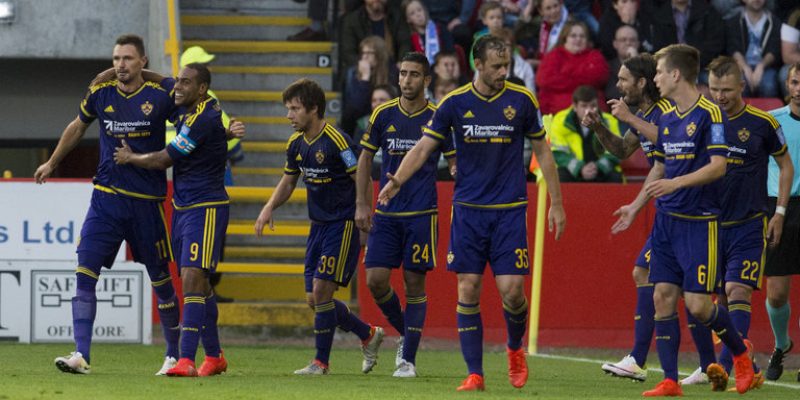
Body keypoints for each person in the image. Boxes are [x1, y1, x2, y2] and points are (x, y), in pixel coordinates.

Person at [377, 35, 566, 391]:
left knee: (512, 292)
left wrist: (556, 202)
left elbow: (545, 153)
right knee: (468, 288)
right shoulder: (454, 103)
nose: (502, 72)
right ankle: (475, 373)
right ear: (477, 64)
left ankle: (514, 348)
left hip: (509, 210)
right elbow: (422, 148)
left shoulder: (522, 100)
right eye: (496, 66)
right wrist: (397, 180)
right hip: (468, 212)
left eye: (506, 65)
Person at [610, 44, 755, 397]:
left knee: (699, 305)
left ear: (676, 74)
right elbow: (660, 166)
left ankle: (741, 355)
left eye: (659, 72)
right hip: (666, 222)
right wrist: (636, 204)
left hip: (699, 222)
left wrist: (677, 182)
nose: (655, 78)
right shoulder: (667, 116)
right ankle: (671, 380)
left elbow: (718, 166)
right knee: (661, 296)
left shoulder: (710, 114)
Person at [35, 34, 182, 376]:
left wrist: (154, 76)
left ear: (143, 61)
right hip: (105, 200)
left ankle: (174, 356)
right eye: (116, 58)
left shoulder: (160, 96)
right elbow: (77, 126)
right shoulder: (101, 92)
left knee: (161, 280)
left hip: (147, 204)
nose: (120, 65)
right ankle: (80, 354)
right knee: (85, 272)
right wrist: (53, 162)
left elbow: (183, 98)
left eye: (128, 58)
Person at [254, 78, 384, 375]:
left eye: (295, 109)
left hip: (342, 224)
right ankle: (367, 334)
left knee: (322, 290)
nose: (289, 115)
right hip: (318, 226)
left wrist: (364, 215)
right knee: (314, 299)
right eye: (288, 109)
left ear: (314, 109)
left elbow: (361, 177)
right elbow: (289, 181)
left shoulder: (338, 141)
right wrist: (269, 206)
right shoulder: (295, 144)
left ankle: (320, 363)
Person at [112, 63, 234, 377]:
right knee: (200, 285)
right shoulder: (186, 99)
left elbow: (165, 158)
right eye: (178, 81)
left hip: (206, 207)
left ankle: (186, 360)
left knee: (193, 277)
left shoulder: (203, 118)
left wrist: (130, 158)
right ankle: (216, 357)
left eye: (185, 83)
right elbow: (163, 80)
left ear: (202, 88)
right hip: (183, 206)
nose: (176, 87)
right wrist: (119, 73)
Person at [355, 52, 456, 378]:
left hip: (421, 213)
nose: (406, 80)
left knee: (414, 284)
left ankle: (407, 359)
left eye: (414, 75)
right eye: (403, 74)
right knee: (375, 280)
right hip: (386, 212)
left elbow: (454, 160)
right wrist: (361, 204)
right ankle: (407, 333)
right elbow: (365, 160)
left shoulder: (439, 116)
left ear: (427, 80)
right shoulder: (383, 114)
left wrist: (458, 169)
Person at [707, 55, 792, 388]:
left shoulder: (762, 123)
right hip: (711, 224)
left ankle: (728, 367)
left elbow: (785, 166)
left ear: (742, 86)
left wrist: (780, 212)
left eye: (727, 89)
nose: (721, 96)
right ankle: (747, 365)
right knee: (720, 300)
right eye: (714, 89)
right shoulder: (704, 120)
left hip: (749, 221)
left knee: (737, 288)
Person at [585, 53, 670, 382]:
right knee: (656, 278)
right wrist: (599, 128)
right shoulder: (645, 113)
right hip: (668, 209)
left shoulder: (665, 113)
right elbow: (623, 150)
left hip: (686, 209)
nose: (618, 86)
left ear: (642, 83)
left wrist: (635, 206)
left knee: (687, 291)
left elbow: (667, 147)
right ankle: (714, 359)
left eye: (623, 80)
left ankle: (639, 358)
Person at [764, 62, 800, 381]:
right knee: (776, 291)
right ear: (788, 85)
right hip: (778, 208)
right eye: (795, 82)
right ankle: (781, 344)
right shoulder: (772, 121)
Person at [550, 85, 624, 183]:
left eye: (593, 106)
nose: (589, 111)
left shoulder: (609, 121)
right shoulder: (560, 121)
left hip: (601, 171)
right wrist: (579, 168)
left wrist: (599, 167)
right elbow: (558, 153)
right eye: (584, 106)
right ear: (575, 107)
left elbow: (617, 151)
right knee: (560, 175)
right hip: (573, 171)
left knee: (615, 177)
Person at [536, 20, 609, 115]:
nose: (578, 39)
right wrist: (583, 76)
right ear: (564, 38)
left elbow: (600, 77)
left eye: (582, 36)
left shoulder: (595, 55)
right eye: (573, 36)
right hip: (555, 113)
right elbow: (543, 80)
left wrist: (565, 74)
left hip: (593, 114)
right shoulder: (553, 55)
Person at [724, 0, 782, 97]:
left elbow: (774, 50)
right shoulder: (734, 21)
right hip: (740, 66)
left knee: (769, 86)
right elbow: (733, 49)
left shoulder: (775, 22)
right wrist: (745, 68)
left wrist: (761, 67)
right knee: (740, 85)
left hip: (767, 67)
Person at [343, 36, 399, 136]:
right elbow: (356, 108)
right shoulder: (354, 73)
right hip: (362, 120)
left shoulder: (393, 72)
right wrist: (365, 78)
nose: (364, 57)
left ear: (379, 54)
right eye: (363, 53)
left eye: (369, 53)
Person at [403, 0, 454, 65]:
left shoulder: (441, 29)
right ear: (408, 19)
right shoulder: (410, 40)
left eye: (419, 10)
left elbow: (451, 51)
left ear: (424, 10)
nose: (418, 14)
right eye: (412, 13)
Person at [605, 24, 640, 101]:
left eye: (632, 40)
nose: (628, 43)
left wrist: (636, 63)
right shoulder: (608, 67)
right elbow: (611, 94)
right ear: (615, 44)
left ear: (638, 44)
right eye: (623, 40)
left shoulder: (647, 65)